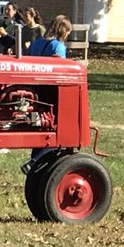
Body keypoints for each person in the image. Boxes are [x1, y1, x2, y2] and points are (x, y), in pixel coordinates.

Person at [21, 14, 73, 174]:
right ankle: (37, 162)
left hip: (34, 90)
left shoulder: (36, 43)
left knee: (40, 125)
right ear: (63, 32)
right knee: (54, 127)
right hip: (51, 90)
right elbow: (61, 71)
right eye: (68, 33)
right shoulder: (58, 47)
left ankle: (36, 160)